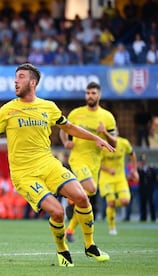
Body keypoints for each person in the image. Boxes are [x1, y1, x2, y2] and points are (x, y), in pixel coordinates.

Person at [0, 63, 114, 267]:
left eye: (20, 77)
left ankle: (90, 245)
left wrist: (96, 139)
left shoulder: (49, 107)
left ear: (32, 82)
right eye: (15, 77)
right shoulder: (7, 110)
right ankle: (62, 250)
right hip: (24, 174)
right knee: (57, 212)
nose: (15, 81)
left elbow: (70, 127)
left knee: (82, 197)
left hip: (48, 164)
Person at [59, 81, 117, 243]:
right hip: (77, 158)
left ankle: (69, 230)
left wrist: (104, 133)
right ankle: (70, 197)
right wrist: (65, 142)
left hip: (95, 162)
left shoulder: (107, 117)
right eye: (87, 93)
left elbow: (115, 143)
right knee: (90, 188)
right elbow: (64, 130)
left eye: (93, 93)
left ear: (99, 95)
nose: (89, 96)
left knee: (85, 199)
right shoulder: (76, 113)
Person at [99, 134, 139, 235]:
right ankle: (112, 227)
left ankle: (111, 204)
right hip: (106, 179)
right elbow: (96, 163)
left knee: (125, 201)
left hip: (120, 178)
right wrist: (108, 169)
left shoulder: (124, 143)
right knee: (111, 201)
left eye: (114, 131)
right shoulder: (102, 145)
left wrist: (134, 170)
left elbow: (132, 154)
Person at [137, 154, 157, 222]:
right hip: (142, 189)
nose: (143, 162)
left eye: (144, 161)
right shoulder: (138, 170)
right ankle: (143, 218)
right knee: (143, 203)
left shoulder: (150, 169)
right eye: (142, 161)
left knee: (151, 203)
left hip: (150, 189)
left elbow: (155, 178)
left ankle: (153, 217)